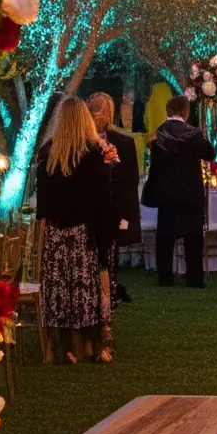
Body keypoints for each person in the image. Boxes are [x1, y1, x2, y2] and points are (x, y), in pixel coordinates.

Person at [37, 96, 117, 364]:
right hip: (84, 232)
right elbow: (102, 198)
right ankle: (85, 345)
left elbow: (43, 199)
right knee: (83, 289)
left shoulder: (48, 152)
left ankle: (61, 346)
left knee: (59, 287)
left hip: (56, 232)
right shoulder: (93, 153)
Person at [144, 94, 216, 287]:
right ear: (186, 112)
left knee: (165, 238)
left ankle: (165, 278)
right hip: (191, 194)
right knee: (193, 238)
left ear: (168, 111)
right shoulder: (193, 134)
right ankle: (194, 279)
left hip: (166, 193)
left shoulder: (159, 134)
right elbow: (210, 154)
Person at [87, 91, 141, 318]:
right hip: (89, 206)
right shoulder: (82, 141)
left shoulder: (124, 142)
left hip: (113, 206)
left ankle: (110, 290)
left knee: (111, 252)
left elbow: (131, 179)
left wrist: (126, 213)